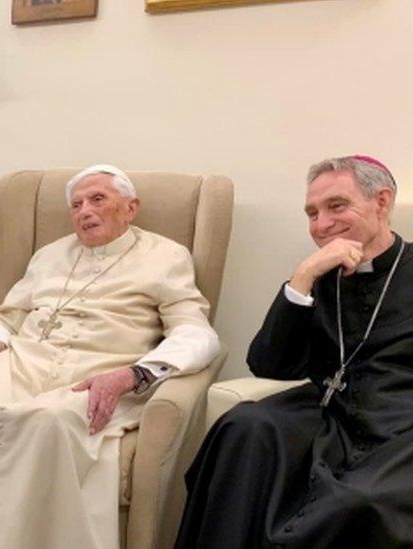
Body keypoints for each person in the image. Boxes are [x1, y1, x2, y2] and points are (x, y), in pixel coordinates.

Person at [0, 165, 220, 548]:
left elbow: (195, 332)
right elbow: (8, 314)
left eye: (98, 199)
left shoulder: (167, 256)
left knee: (49, 419)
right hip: (25, 363)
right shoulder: (49, 255)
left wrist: (133, 375)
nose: (84, 211)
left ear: (131, 207)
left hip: (100, 373)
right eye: (76, 204)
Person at [175, 155, 413, 549]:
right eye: (312, 213)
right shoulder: (321, 276)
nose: (321, 225)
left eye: (336, 206)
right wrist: (302, 279)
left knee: (358, 503)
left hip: (402, 425)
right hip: (328, 413)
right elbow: (269, 364)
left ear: (382, 202)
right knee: (244, 428)